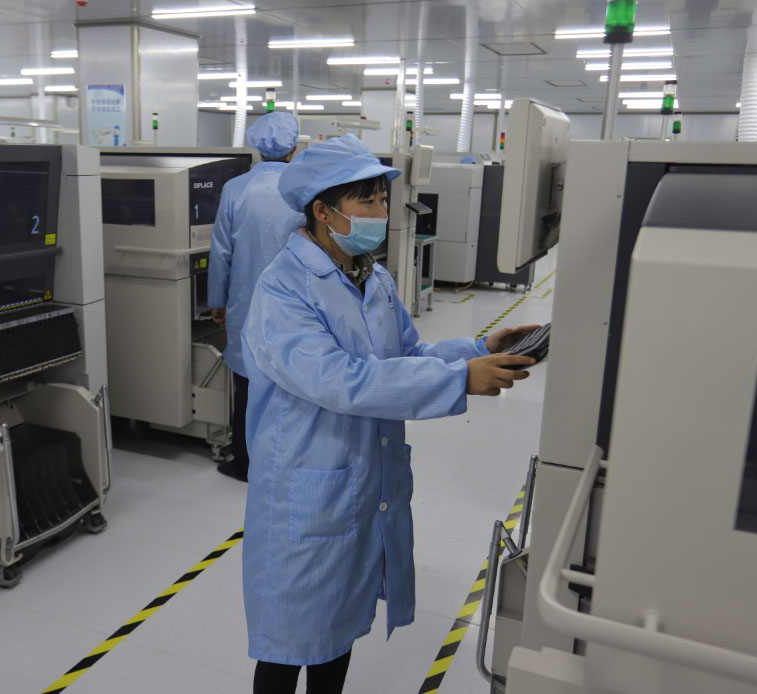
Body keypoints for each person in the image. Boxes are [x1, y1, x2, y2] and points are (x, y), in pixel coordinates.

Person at [239, 134, 538, 693]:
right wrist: (458, 380)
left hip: (359, 479)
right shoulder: (283, 288)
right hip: (308, 487)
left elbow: (407, 354)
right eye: (367, 201)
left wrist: (476, 350)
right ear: (323, 211)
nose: (381, 212)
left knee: (340, 627)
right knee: (289, 642)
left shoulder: (371, 277)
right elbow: (339, 380)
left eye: (382, 199)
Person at [208, 111, 305, 482]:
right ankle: (288, 461)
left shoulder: (236, 189)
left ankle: (245, 462)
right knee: (293, 380)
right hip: (296, 304)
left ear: (257, 149)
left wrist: (217, 301)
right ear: (294, 148)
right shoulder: (304, 189)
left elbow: (221, 253)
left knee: (247, 384)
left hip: (245, 304)